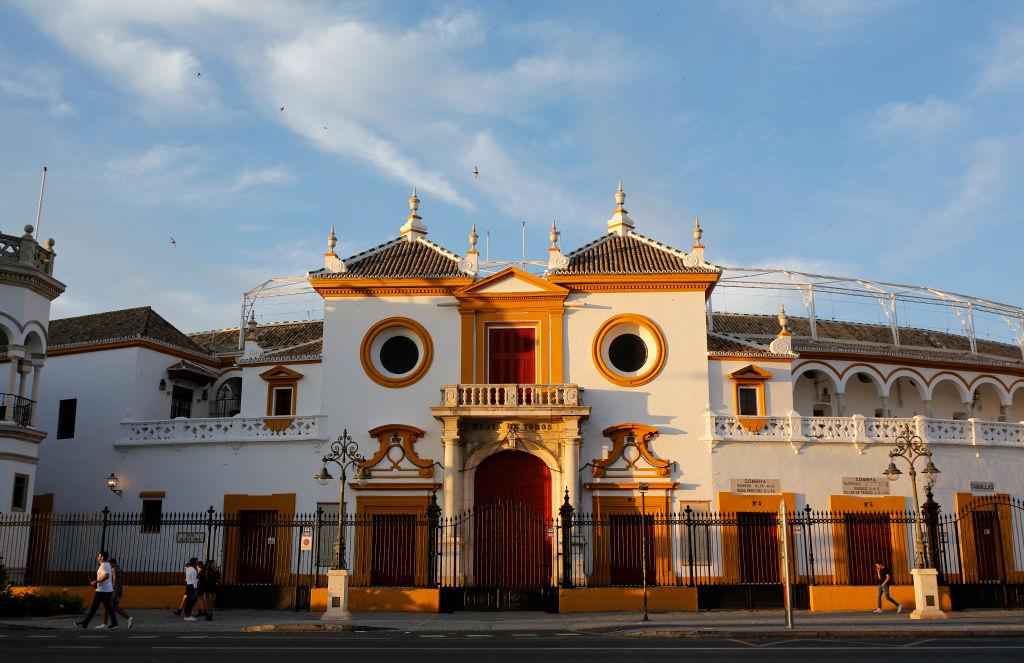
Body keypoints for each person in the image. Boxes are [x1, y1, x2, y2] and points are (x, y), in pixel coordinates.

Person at [74, 551, 119, 630]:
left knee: (94, 607)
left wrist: (96, 581)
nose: (97, 557)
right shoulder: (107, 565)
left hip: (102, 591)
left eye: (99, 556)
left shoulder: (103, 566)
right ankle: (114, 623)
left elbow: (106, 576)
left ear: (102, 557)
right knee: (109, 607)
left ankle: (85, 623)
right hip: (108, 590)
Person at [101, 558, 134, 629]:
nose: (109, 566)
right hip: (119, 590)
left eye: (109, 565)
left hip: (114, 591)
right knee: (108, 606)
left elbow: (115, 581)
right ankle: (105, 623)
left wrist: (114, 592)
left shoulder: (114, 570)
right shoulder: (120, 569)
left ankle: (128, 618)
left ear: (113, 564)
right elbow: (121, 581)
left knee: (113, 606)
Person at [182, 557, 200, 622]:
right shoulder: (194, 570)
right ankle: (188, 616)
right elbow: (194, 581)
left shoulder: (189, 569)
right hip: (192, 587)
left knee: (188, 601)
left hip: (188, 586)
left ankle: (187, 615)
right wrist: (195, 590)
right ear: (194, 562)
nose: (197, 563)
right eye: (196, 561)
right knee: (191, 601)